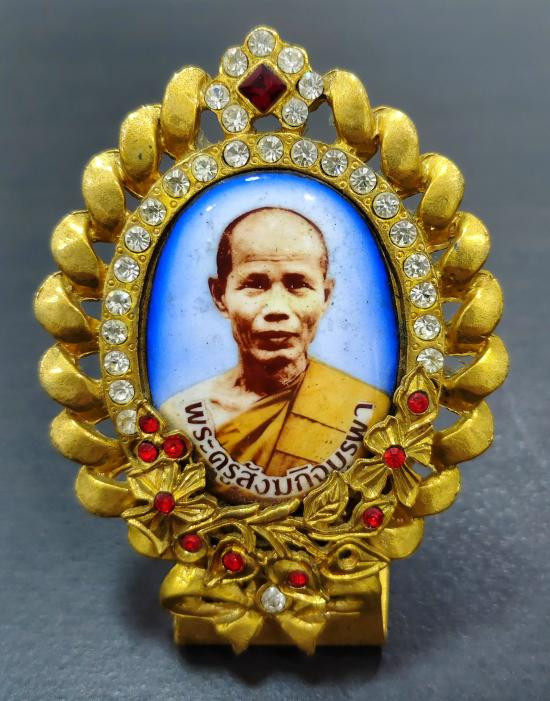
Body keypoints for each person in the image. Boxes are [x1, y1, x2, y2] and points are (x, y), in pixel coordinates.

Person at [161, 207, 390, 476]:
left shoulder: (368, 412)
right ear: (220, 295)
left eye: (297, 284)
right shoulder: (179, 418)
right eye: (255, 284)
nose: (276, 308)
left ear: (326, 296)